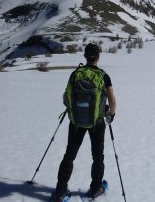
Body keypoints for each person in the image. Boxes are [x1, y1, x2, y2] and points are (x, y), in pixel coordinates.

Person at [52, 43, 116, 202]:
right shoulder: (103, 75)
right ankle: (95, 189)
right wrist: (111, 114)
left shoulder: (76, 74)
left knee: (69, 156)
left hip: (76, 122)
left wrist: (72, 108)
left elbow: (65, 97)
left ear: (85, 56)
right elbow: (112, 100)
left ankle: (60, 192)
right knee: (97, 157)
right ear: (99, 57)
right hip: (97, 123)